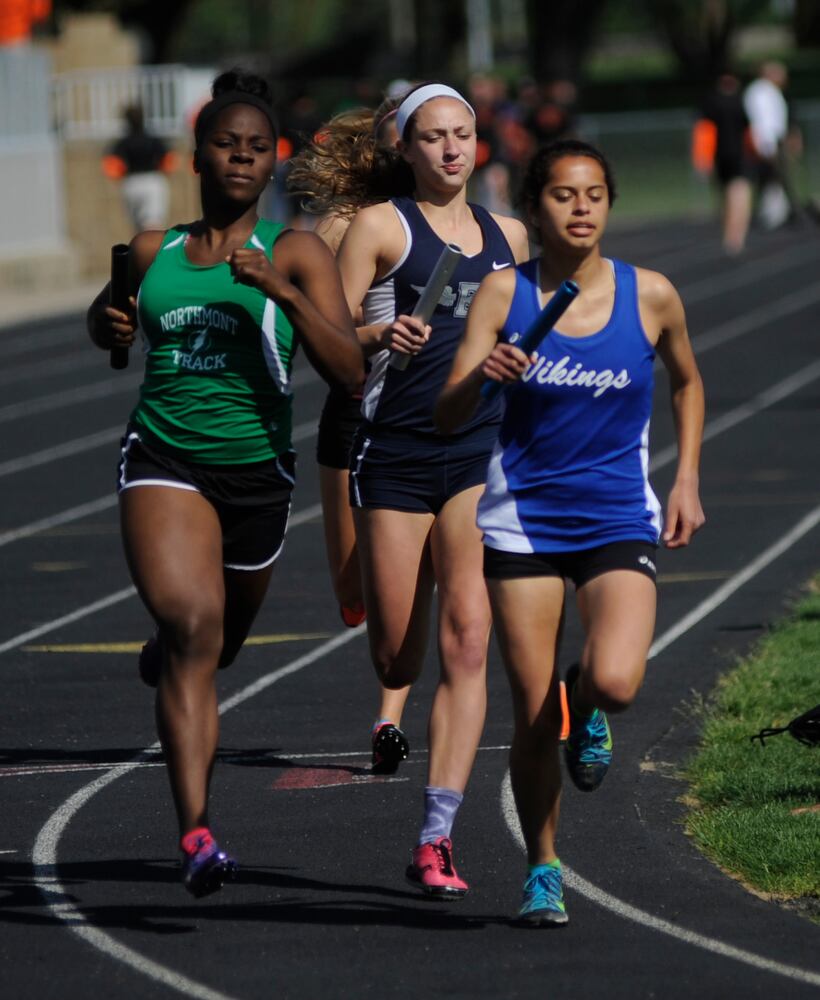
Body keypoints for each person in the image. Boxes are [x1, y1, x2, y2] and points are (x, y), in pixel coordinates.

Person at [86, 69, 362, 898]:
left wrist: (281, 292)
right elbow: (109, 321)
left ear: (272, 162)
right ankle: (196, 832)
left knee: (218, 646)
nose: (240, 158)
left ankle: (168, 655)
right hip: (165, 458)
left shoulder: (297, 251)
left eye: (255, 148)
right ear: (196, 155)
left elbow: (350, 371)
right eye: (225, 145)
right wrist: (108, 320)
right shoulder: (153, 252)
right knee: (195, 627)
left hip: (257, 477)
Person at [435, 139, 705, 925]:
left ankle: (581, 703)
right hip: (524, 524)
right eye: (562, 194)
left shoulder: (650, 294)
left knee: (615, 683)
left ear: (609, 205)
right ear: (534, 208)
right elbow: (445, 412)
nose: (580, 207)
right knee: (530, 717)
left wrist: (684, 477)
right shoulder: (502, 294)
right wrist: (484, 377)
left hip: (618, 515)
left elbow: (687, 382)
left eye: (593, 194)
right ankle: (544, 865)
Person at [336, 82, 530, 896]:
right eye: (434, 137)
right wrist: (381, 331)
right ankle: (392, 677)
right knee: (395, 647)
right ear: (406, 149)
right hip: (395, 448)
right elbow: (331, 334)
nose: (452, 149)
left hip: (475, 450)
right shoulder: (383, 228)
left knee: (469, 638)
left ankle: (436, 835)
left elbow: (534, 321)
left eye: (463, 134)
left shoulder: (509, 233)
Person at [287, 96, 415, 774]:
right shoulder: (340, 225)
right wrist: (376, 334)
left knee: (434, 578)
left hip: (435, 420)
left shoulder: (465, 220)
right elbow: (331, 336)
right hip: (355, 406)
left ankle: (388, 718)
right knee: (353, 592)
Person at [693, 73, 753, 254]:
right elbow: (751, 130)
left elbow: (703, 132)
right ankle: (737, 237)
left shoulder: (710, 102)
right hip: (739, 155)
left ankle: (729, 235)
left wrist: (702, 158)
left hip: (720, 156)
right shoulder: (742, 101)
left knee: (725, 194)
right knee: (740, 193)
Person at [743, 61, 802, 229]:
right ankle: (774, 213)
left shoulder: (770, 91)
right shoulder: (760, 92)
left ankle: (780, 211)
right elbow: (762, 121)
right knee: (772, 176)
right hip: (768, 140)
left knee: (776, 177)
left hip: (775, 139)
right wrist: (767, 145)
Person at [102, 103, 177, 231]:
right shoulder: (153, 139)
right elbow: (168, 161)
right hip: (152, 181)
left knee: (138, 229)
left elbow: (112, 167)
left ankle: (140, 250)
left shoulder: (122, 143)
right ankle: (152, 250)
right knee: (153, 226)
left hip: (130, 183)